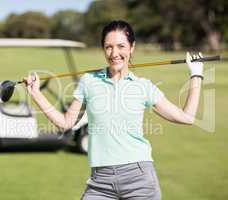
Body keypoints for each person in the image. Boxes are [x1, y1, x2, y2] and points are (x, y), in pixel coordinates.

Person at [24, 20, 203, 200]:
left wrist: (196, 74)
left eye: (121, 46)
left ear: (132, 47)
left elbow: (186, 117)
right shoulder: (88, 81)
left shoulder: (144, 87)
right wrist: (37, 94)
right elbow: (65, 123)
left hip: (139, 179)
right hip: (100, 182)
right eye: (108, 47)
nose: (114, 53)